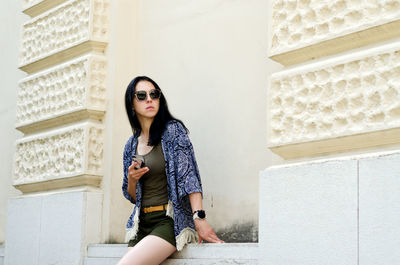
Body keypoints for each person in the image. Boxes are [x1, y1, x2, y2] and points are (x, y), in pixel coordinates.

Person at [117, 76, 224, 265]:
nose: (149, 99)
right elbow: (133, 197)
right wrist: (132, 179)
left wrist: (199, 218)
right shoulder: (130, 145)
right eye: (141, 96)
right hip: (141, 223)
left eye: (154, 94)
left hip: (168, 220)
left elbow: (189, 176)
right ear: (132, 104)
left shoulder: (173, 132)